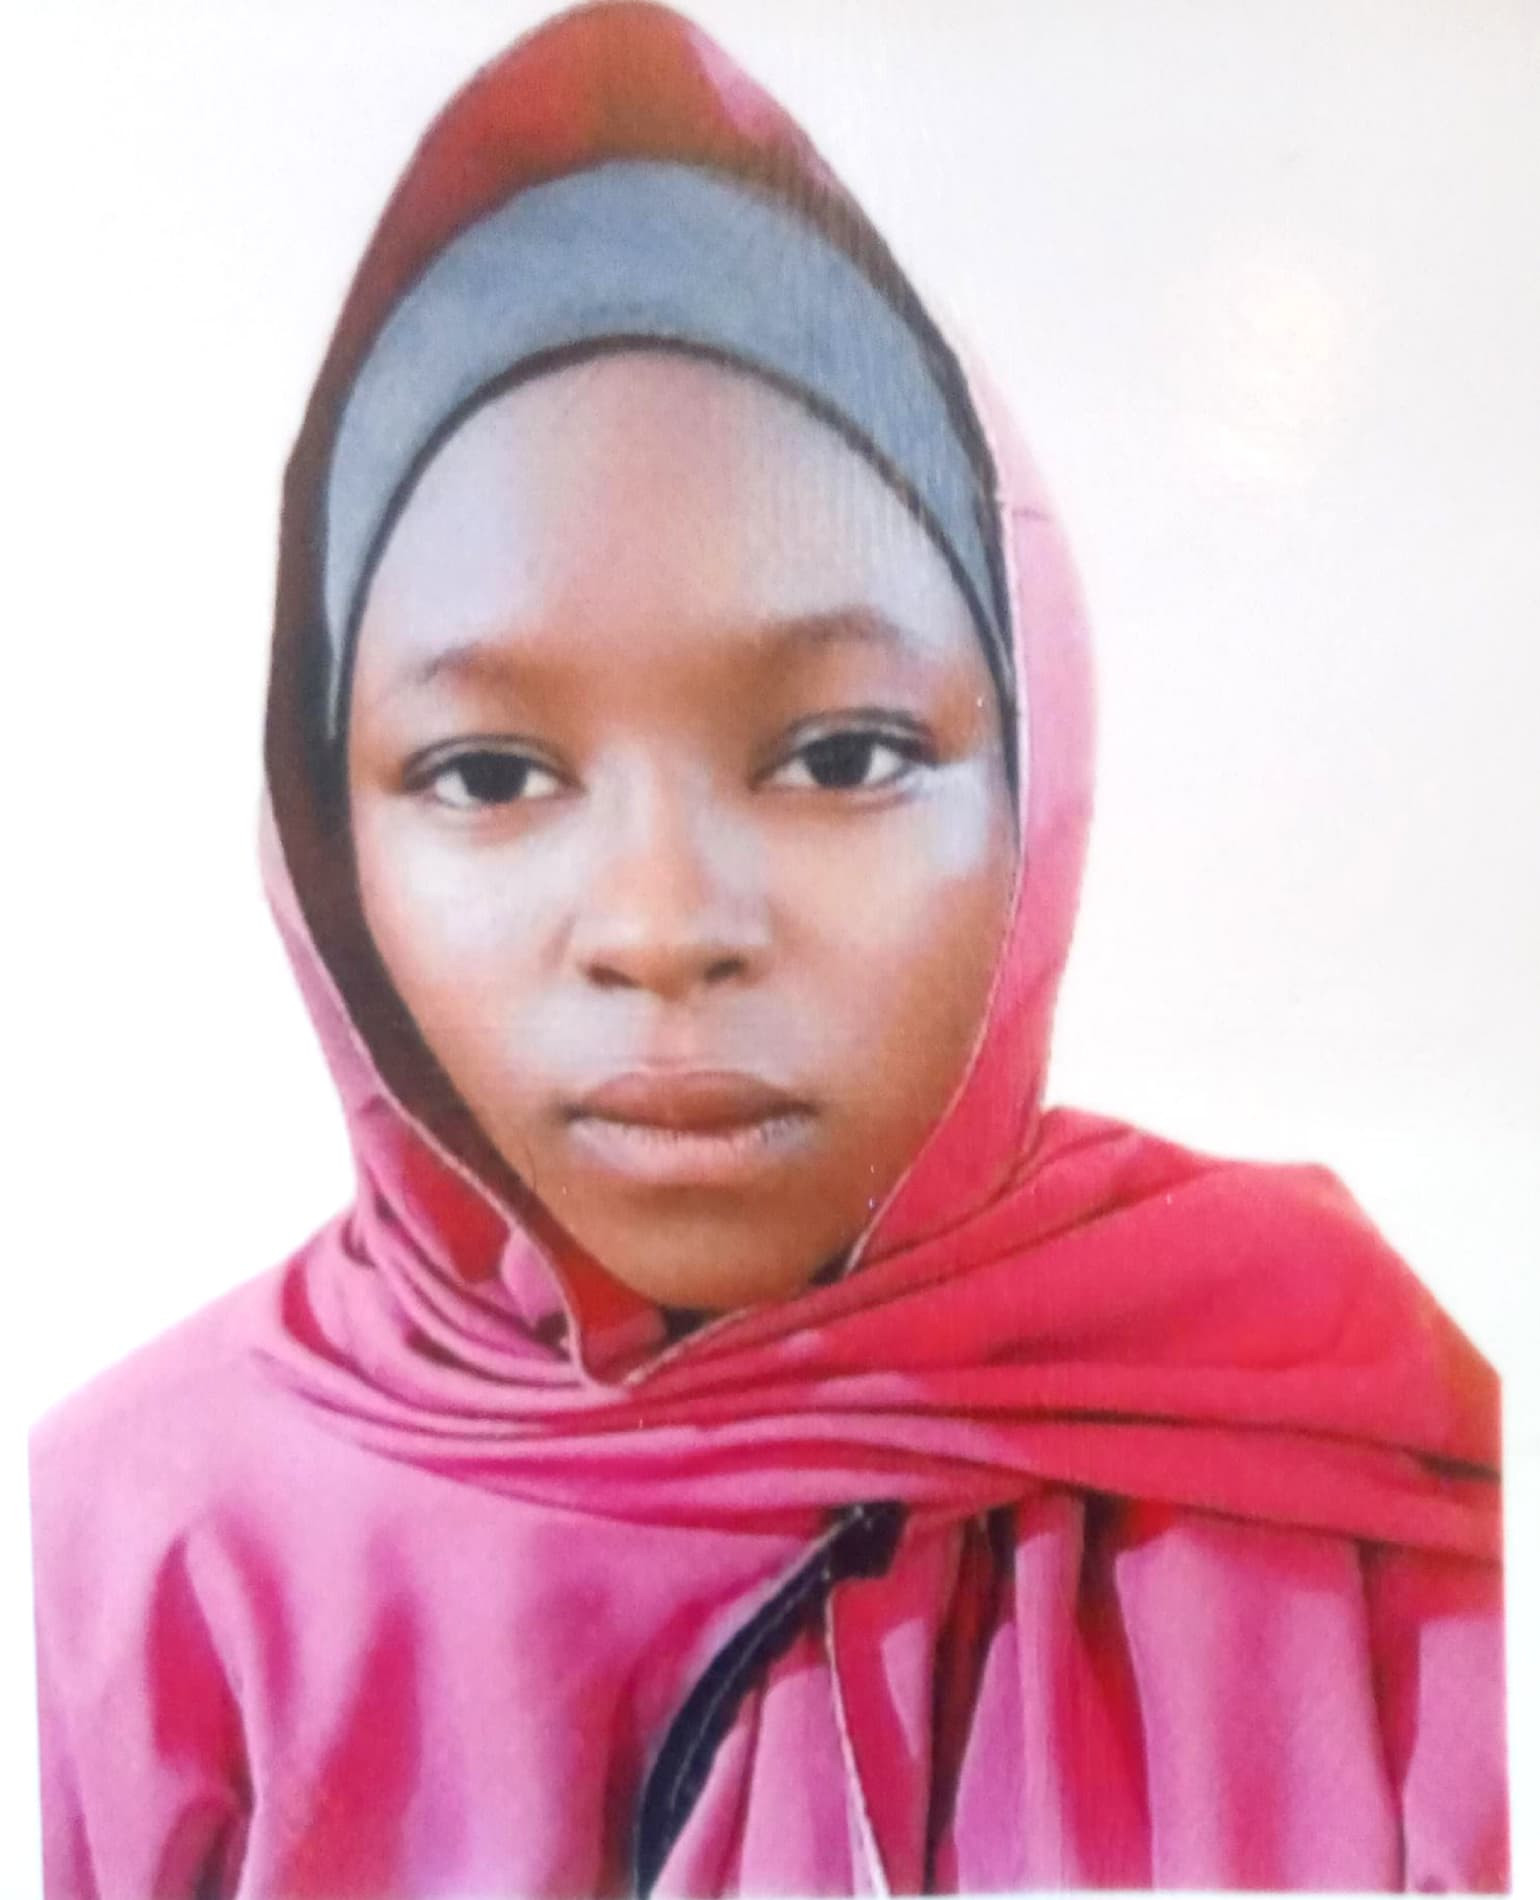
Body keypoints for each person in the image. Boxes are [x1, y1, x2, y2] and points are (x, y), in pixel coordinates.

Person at [29, 3, 1506, 1894]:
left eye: (842, 757)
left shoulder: (1359, 1467)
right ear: (329, 845)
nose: (664, 931)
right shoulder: (123, 1572)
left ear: (1038, 788)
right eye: (489, 773)